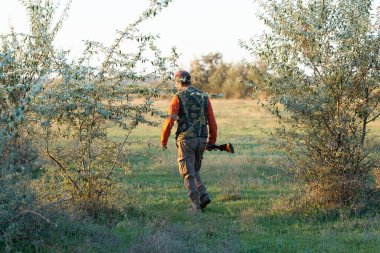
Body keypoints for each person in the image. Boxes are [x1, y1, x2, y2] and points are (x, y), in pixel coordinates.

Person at [161, 70, 217, 212]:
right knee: (194, 169)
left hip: (186, 139)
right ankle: (203, 196)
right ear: (189, 81)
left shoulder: (178, 96)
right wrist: (211, 141)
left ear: (178, 82)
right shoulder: (203, 96)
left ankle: (195, 206)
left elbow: (170, 120)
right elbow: (212, 121)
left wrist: (164, 140)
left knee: (187, 172)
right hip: (202, 138)